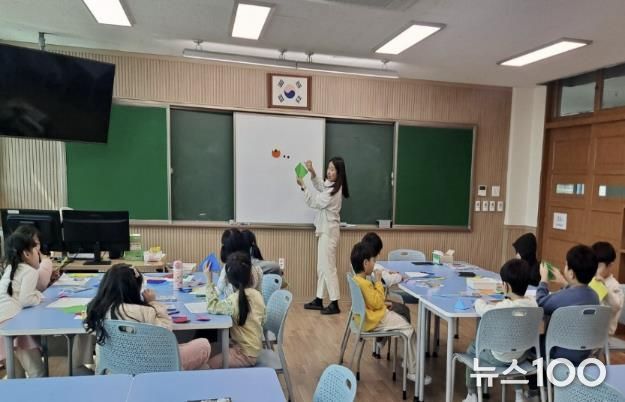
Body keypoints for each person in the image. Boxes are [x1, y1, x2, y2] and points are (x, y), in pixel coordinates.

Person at [84, 263, 211, 370]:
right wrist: (153, 302)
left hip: (113, 368)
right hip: (152, 365)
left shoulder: (96, 311)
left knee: (202, 365)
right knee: (204, 345)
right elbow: (166, 329)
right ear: (134, 289)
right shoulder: (144, 311)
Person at [350, 241, 429, 384]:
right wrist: (378, 281)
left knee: (402, 316)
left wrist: (383, 303)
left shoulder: (357, 280)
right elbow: (377, 301)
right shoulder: (365, 283)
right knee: (409, 331)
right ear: (365, 263)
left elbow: (370, 302)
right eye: (373, 261)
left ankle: (407, 360)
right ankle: (414, 371)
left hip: (367, 318)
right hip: (375, 320)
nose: (374, 264)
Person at [462, 259, 538, 402]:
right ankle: (519, 393)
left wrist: (478, 301)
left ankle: (471, 394)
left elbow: (484, 310)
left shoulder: (502, 307)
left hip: (498, 357)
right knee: (515, 350)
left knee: (473, 349)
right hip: (521, 356)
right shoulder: (533, 304)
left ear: (506, 286)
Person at [298, 157, 349, 315]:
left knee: (329, 268)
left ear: (339, 173)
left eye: (333, 169)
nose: (329, 172)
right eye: (328, 168)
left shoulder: (333, 192)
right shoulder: (331, 186)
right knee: (321, 267)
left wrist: (303, 186)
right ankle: (319, 299)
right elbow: (321, 185)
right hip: (324, 230)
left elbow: (314, 202)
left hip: (329, 232)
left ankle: (335, 303)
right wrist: (312, 171)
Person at [204, 251, 266, 368]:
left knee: (207, 366)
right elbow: (263, 320)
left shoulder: (233, 300)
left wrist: (209, 280)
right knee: (207, 349)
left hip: (243, 354)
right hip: (252, 349)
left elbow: (212, 306)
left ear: (228, 279)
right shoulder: (258, 295)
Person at [0, 232, 45, 377]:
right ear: (27, 253)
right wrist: (38, 296)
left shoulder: (9, 269)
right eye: (37, 252)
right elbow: (26, 300)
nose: (39, 256)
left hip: (2, 327)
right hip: (13, 327)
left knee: (15, 375)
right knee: (37, 372)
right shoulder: (30, 271)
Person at [216, 229, 263, 297]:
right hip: (255, 302)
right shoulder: (257, 269)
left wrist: (209, 280)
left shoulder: (228, 269)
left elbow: (220, 289)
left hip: (233, 302)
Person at [591, 241, 624, 336]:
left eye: (598, 266)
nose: (593, 269)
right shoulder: (590, 279)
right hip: (588, 328)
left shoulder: (614, 285)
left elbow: (616, 306)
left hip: (603, 334)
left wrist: (605, 288)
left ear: (610, 265)